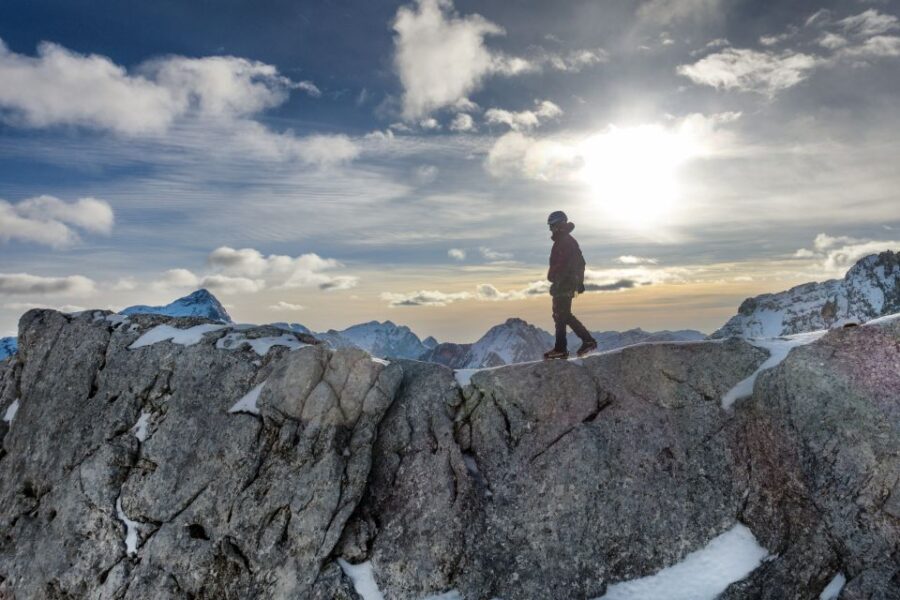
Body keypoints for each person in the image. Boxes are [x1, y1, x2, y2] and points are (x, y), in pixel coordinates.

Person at [543, 211, 597, 360]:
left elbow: (573, 263)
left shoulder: (566, 241)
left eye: (552, 225)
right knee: (561, 315)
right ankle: (580, 343)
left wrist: (568, 280)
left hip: (565, 283)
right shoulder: (563, 241)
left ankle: (571, 346)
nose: (550, 229)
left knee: (562, 314)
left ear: (559, 225)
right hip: (564, 282)